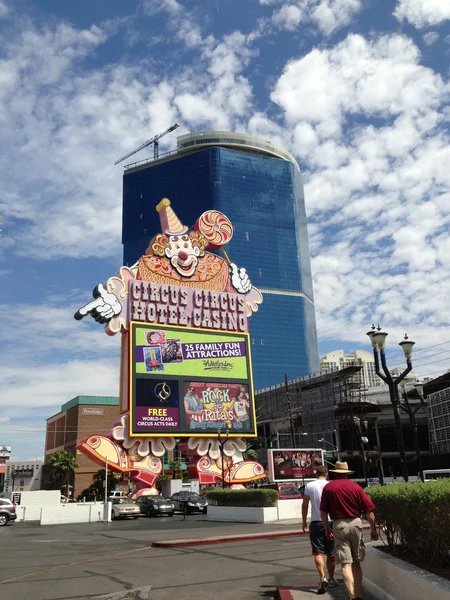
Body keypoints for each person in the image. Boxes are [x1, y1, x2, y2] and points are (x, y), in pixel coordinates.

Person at [320, 461, 379, 600]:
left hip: (339, 524)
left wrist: (326, 528)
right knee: (356, 563)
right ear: (347, 473)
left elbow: (323, 513)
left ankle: (352, 597)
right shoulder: (356, 488)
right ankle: (358, 595)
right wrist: (373, 529)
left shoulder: (329, 488)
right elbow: (369, 512)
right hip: (356, 523)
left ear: (335, 473)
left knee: (346, 564)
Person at [302, 466, 338, 595]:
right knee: (331, 552)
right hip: (331, 520)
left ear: (316, 473)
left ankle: (323, 577)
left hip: (316, 521)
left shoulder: (310, 486)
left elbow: (305, 504)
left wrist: (304, 521)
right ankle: (332, 578)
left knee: (318, 552)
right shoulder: (331, 485)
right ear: (327, 474)